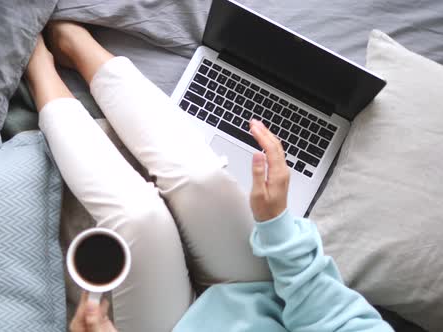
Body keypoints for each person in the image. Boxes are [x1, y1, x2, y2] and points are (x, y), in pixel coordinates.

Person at [25, 21, 393, 332]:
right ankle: (77, 46)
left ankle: (37, 66)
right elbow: (328, 309)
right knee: (201, 177)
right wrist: (276, 222)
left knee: (139, 218)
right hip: (260, 298)